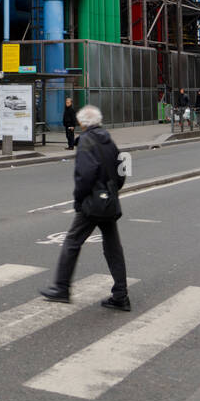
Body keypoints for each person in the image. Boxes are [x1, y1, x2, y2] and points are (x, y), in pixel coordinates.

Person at [40, 105, 130, 311]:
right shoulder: (109, 140)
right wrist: (112, 191)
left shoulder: (87, 141)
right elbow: (121, 172)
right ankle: (121, 295)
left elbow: (84, 175)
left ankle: (61, 288)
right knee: (113, 248)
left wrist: (78, 200)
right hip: (108, 202)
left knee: (72, 241)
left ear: (82, 123)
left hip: (92, 202)